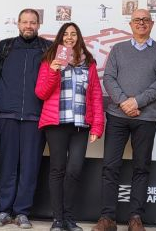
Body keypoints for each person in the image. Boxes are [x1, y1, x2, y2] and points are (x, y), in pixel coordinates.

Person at [93, 9, 156, 231]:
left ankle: (135, 218)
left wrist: (136, 102)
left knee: (141, 167)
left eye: (146, 20)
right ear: (130, 24)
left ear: (152, 24)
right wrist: (123, 102)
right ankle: (107, 218)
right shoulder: (118, 49)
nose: (141, 23)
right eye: (137, 20)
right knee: (110, 166)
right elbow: (108, 77)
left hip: (146, 118)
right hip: (117, 116)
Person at [35, 23, 105, 231]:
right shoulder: (50, 60)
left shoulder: (89, 62)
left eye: (74, 34)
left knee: (74, 170)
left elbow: (95, 95)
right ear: (60, 38)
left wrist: (97, 126)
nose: (69, 37)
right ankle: (57, 219)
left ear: (79, 38)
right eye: (66, 34)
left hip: (80, 125)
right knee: (57, 169)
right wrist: (54, 71)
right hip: (56, 124)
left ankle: (69, 217)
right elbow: (41, 93)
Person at [0, 9, 52, 229]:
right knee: (7, 164)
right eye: (25, 22)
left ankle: (22, 212)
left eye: (33, 22)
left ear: (38, 24)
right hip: (7, 113)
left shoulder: (48, 48)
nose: (29, 26)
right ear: (18, 23)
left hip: (36, 116)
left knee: (30, 166)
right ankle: (4, 210)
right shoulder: (5, 46)